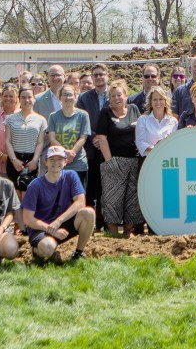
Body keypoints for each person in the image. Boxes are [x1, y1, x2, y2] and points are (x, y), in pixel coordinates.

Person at [21, 146, 94, 263]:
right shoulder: (35, 185)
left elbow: (80, 202)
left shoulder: (71, 176)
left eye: (59, 159)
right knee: (48, 248)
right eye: (52, 159)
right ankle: (36, 251)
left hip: (61, 225)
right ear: (45, 162)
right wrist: (51, 229)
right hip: (41, 229)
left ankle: (78, 253)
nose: (56, 162)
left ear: (65, 162)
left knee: (88, 213)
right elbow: (28, 219)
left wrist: (59, 221)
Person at [96, 80, 144, 234]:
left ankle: (128, 233)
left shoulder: (134, 109)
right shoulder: (106, 113)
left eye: (119, 95)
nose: (116, 98)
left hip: (134, 161)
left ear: (126, 95)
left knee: (132, 200)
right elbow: (101, 138)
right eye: (113, 95)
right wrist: (109, 161)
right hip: (114, 161)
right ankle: (113, 234)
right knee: (112, 199)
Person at [0, 85, 48, 190]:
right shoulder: (10, 119)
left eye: (29, 97)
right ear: (19, 99)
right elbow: (8, 141)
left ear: (33, 99)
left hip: (32, 160)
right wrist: (13, 160)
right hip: (14, 159)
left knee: (29, 192)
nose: (27, 100)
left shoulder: (41, 120)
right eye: (23, 97)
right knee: (15, 193)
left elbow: (40, 143)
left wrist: (34, 160)